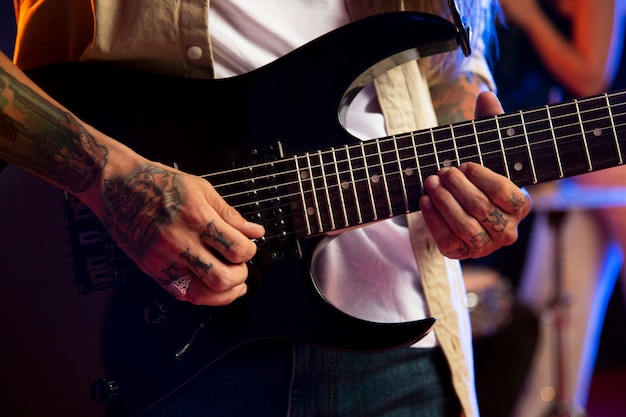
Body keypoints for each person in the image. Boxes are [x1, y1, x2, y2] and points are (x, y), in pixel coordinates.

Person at [0, 1, 532, 416]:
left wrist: (475, 189)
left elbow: (448, 63)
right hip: (143, 339)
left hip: (398, 340)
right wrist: (103, 174)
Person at [494, 0, 626, 415]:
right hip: (548, 158)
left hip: (598, 147)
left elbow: (591, 79)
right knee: (558, 293)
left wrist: (530, 18)